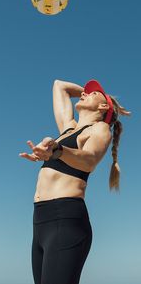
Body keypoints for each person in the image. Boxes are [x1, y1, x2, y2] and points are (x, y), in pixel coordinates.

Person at [19, 79, 131, 284]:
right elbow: (59, 86)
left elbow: (89, 160)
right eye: (84, 92)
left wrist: (57, 151)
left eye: (92, 93)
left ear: (103, 106)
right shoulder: (68, 130)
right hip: (40, 222)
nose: (84, 94)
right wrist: (90, 95)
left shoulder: (99, 129)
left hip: (66, 220)